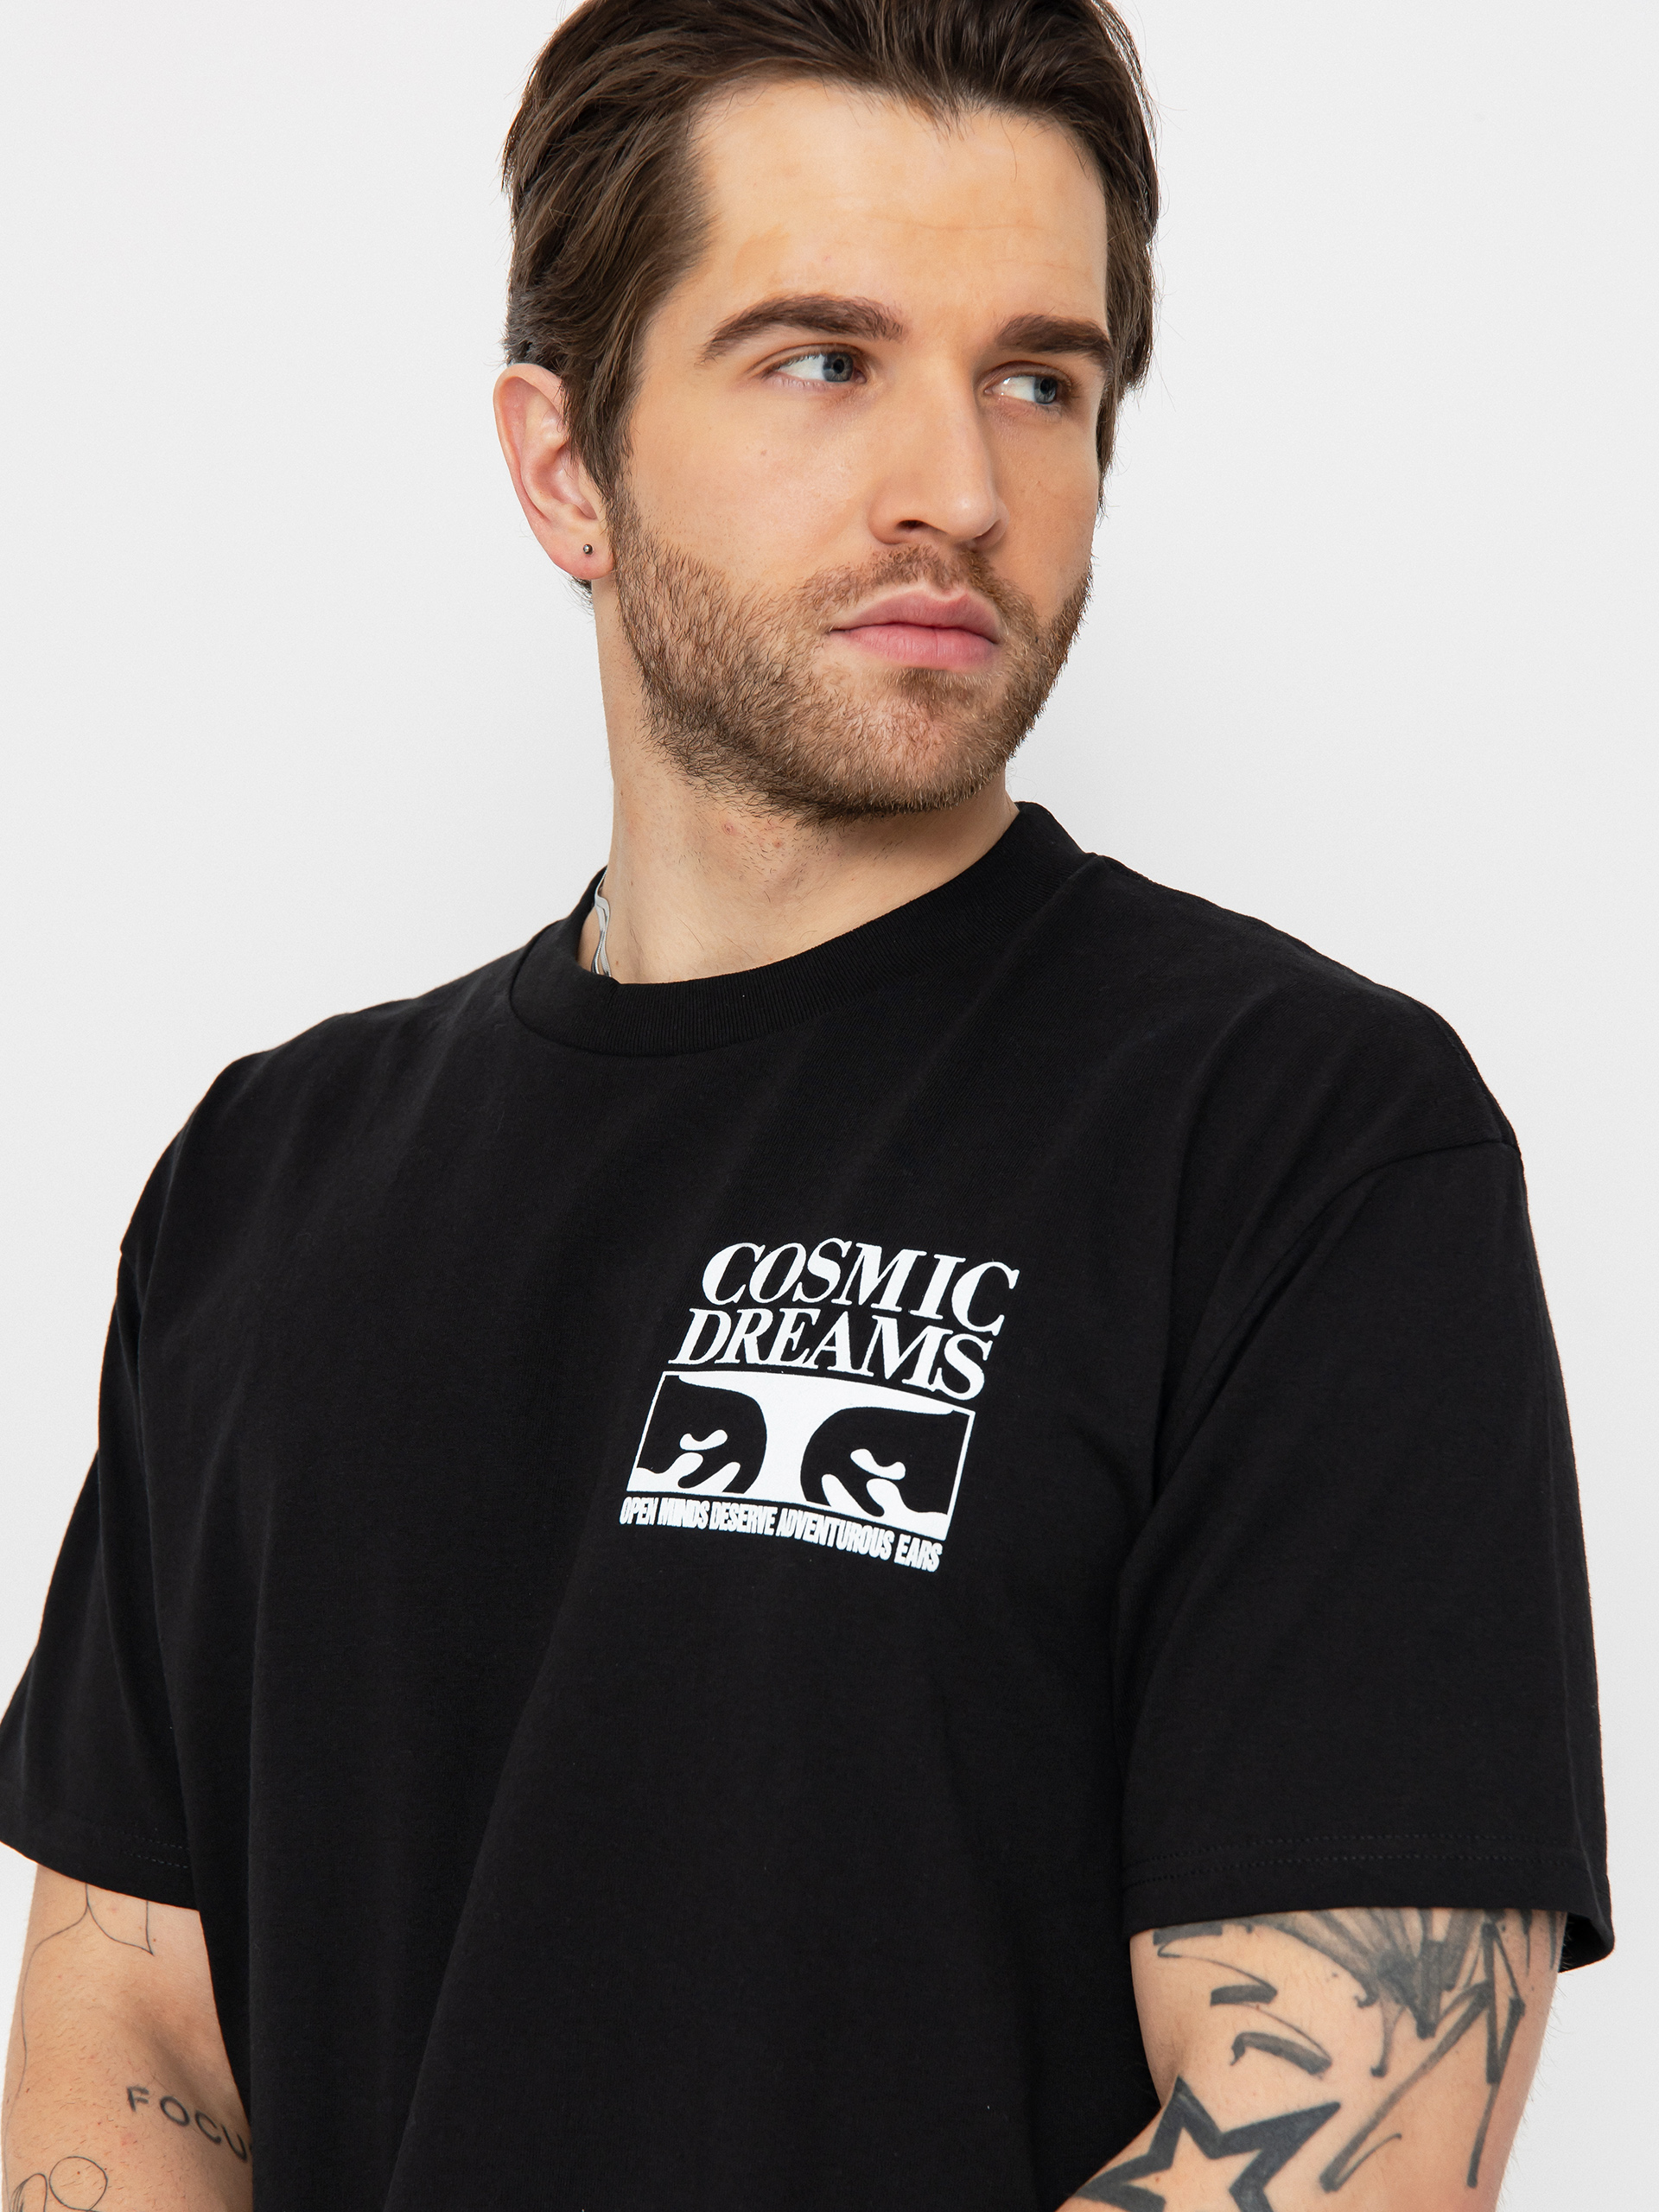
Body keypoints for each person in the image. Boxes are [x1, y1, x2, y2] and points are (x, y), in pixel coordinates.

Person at [0, 2, 1610, 2207]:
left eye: (1039, 378)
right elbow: (138, 2045)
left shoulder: (1301, 1144)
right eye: (825, 358)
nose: (962, 485)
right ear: (566, 466)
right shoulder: (268, 1179)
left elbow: (1342, 2140)